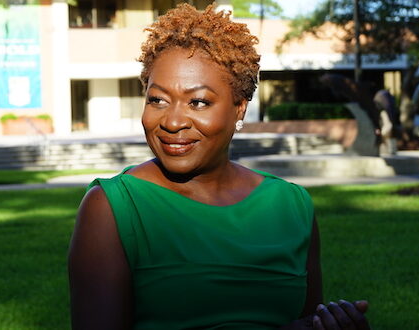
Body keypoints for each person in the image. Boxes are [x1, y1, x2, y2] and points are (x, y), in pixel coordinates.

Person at [69, 4, 370, 329]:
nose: (172, 121)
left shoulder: (292, 205)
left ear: (239, 108)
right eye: (157, 99)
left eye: (198, 102)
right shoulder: (114, 208)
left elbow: (306, 319)